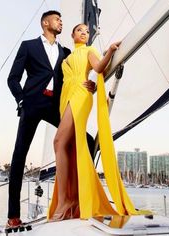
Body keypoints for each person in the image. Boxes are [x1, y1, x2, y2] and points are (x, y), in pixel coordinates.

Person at [7, 12, 95, 228]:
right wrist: (21, 101)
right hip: (32, 104)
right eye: (57, 19)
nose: (61, 22)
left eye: (62, 20)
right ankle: (13, 216)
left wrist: (90, 84)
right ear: (45, 23)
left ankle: (78, 199)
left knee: (89, 140)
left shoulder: (66, 52)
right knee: (19, 156)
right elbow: (13, 78)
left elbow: (77, 71)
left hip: (56, 106)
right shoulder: (28, 46)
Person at [47, 23, 143, 222]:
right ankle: (72, 200)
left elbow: (99, 67)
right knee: (67, 146)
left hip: (81, 95)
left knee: (58, 142)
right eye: (80, 30)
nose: (84, 33)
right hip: (66, 98)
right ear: (72, 34)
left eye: (87, 31)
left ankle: (65, 201)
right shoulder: (67, 57)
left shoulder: (90, 50)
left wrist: (109, 51)